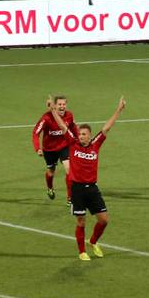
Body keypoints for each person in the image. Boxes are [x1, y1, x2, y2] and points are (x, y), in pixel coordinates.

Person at [52, 96, 125, 261]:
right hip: (77, 189)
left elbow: (106, 128)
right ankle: (82, 251)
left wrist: (119, 110)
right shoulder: (73, 143)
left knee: (104, 220)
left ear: (90, 135)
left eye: (84, 134)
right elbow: (63, 126)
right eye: (80, 133)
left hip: (92, 188)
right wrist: (52, 110)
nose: (81, 136)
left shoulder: (95, 145)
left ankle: (93, 241)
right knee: (81, 222)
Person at [33, 94, 77, 201]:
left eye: (64, 104)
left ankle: (70, 197)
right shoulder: (46, 117)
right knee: (51, 171)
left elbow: (73, 128)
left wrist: (78, 141)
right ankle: (50, 188)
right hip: (49, 149)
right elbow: (36, 133)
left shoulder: (69, 115)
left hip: (64, 146)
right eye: (59, 104)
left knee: (69, 169)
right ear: (55, 106)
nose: (62, 106)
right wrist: (37, 148)